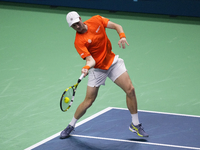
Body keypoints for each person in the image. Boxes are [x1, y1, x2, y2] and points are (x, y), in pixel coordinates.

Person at [60, 11, 148, 139]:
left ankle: (135, 124)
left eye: (77, 23)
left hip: (113, 63)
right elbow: (91, 61)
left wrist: (122, 36)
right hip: (98, 70)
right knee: (89, 101)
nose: (77, 27)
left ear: (80, 18)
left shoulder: (96, 20)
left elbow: (118, 26)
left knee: (130, 90)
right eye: (73, 26)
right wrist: (86, 67)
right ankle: (71, 125)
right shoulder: (79, 41)